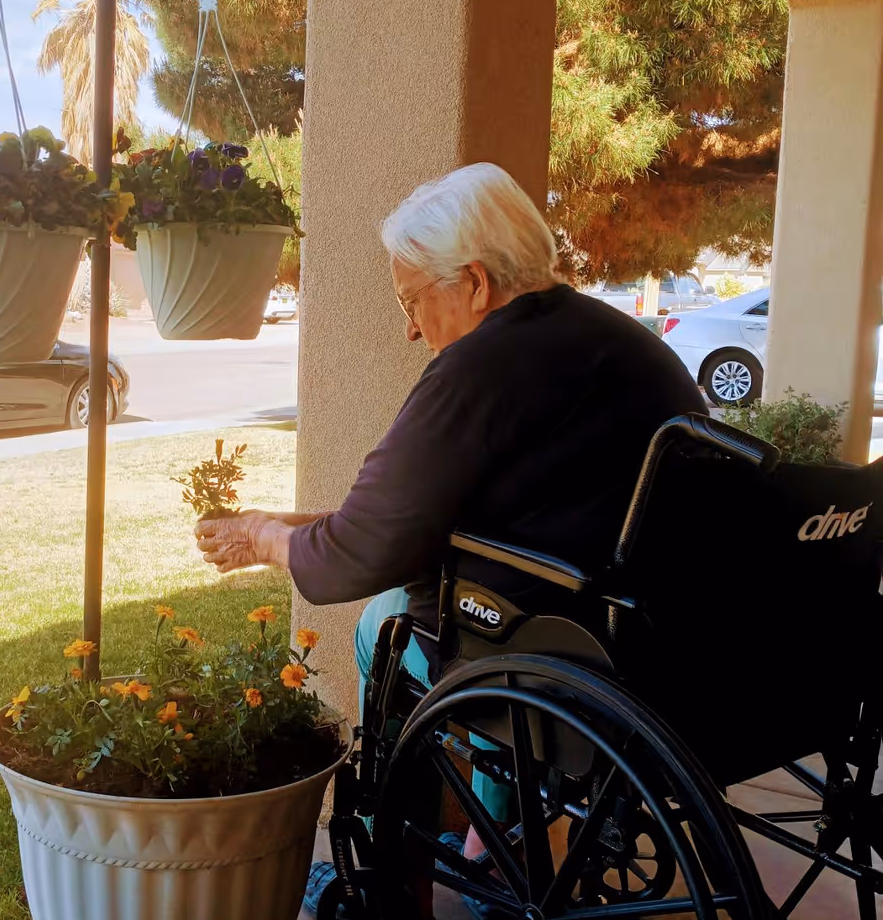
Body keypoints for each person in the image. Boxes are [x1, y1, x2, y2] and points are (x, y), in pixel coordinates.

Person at [197, 162, 704, 700]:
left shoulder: (480, 367)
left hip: (553, 654)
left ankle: (450, 783)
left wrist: (261, 537)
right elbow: (428, 520)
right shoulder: (619, 338)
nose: (411, 328)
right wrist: (296, 525)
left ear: (475, 283)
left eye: (410, 300)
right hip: (669, 639)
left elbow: (366, 553)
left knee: (381, 624)